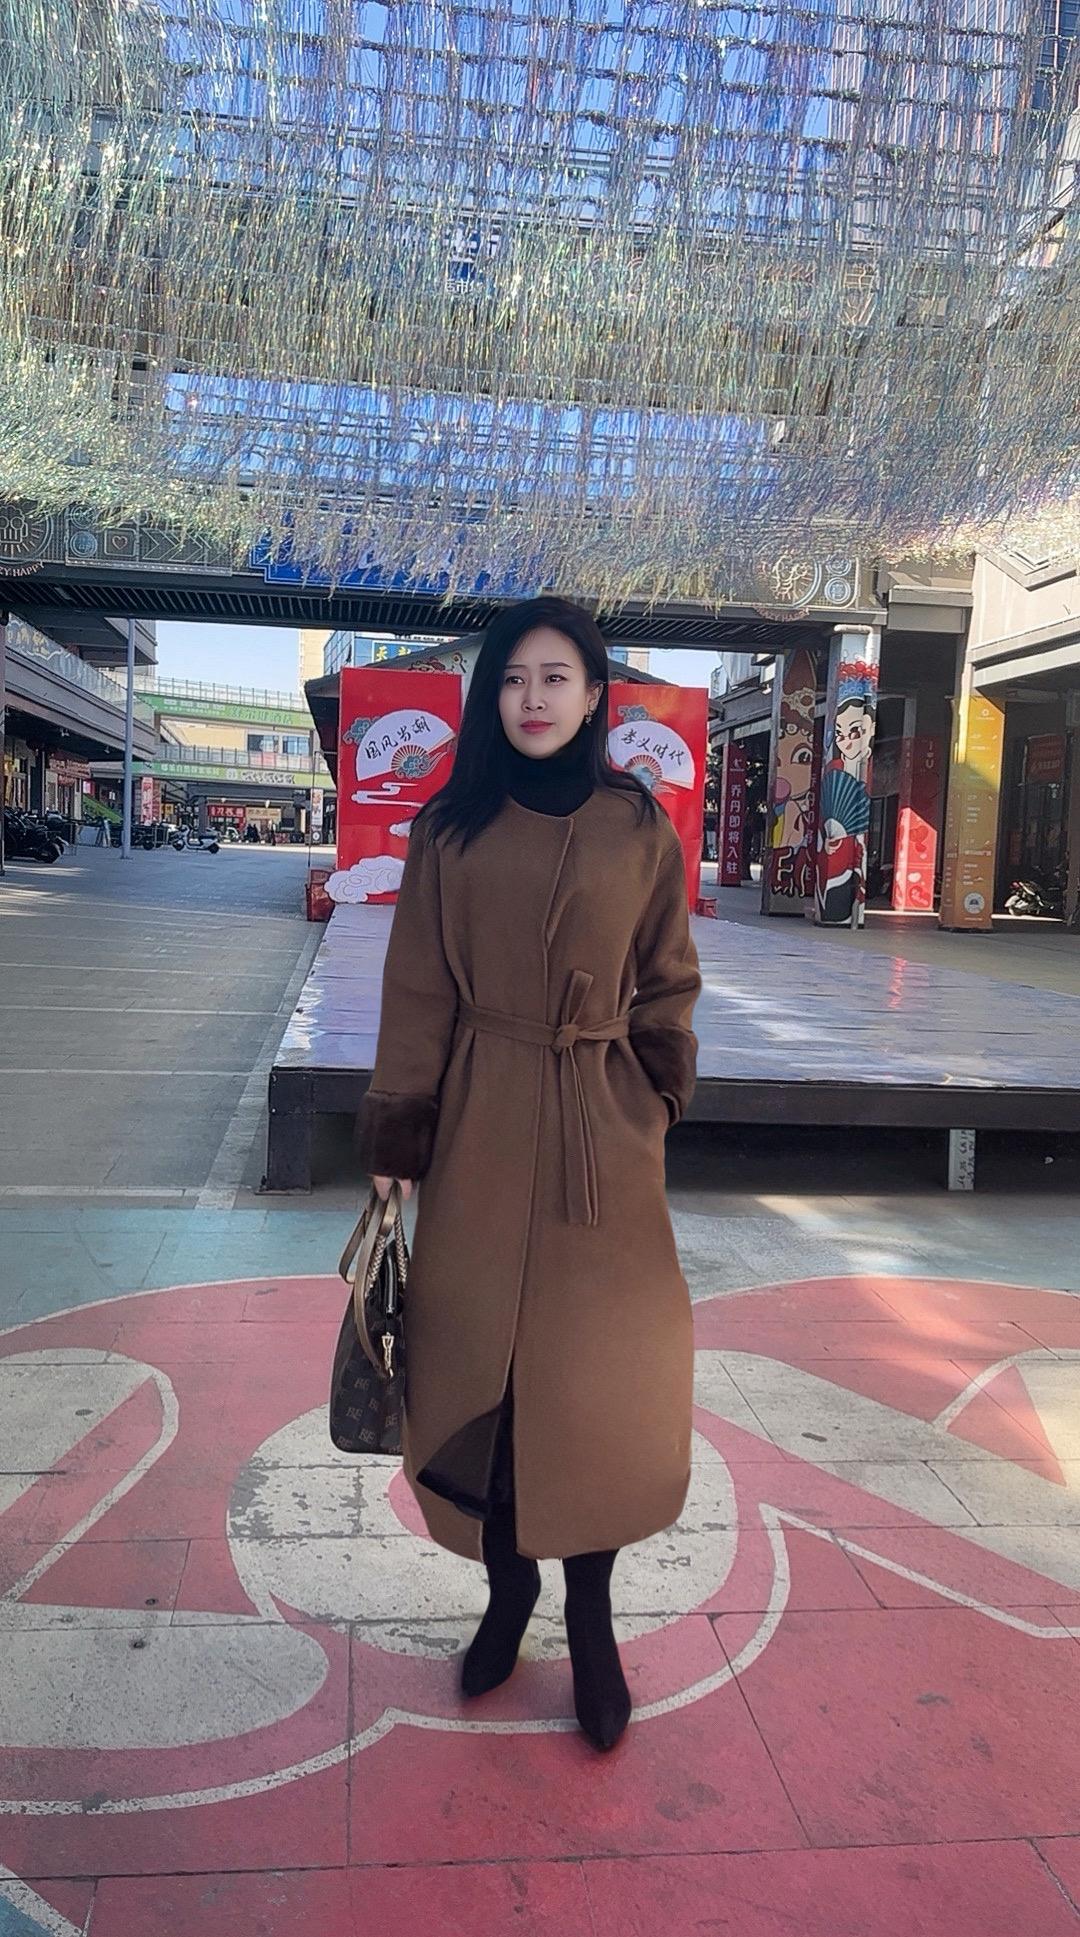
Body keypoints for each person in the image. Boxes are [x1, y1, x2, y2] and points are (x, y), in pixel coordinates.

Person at [355, 594, 702, 1753]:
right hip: (481, 1125)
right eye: (512, 678)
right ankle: (508, 1594)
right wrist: (399, 1144)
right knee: (481, 1379)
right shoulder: (449, 827)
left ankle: (592, 1622)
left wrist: (654, 1095)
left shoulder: (636, 825)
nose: (533, 697)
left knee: (596, 1386)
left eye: (556, 676)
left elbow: (669, 978)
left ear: (596, 694)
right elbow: (417, 989)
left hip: (604, 1131)